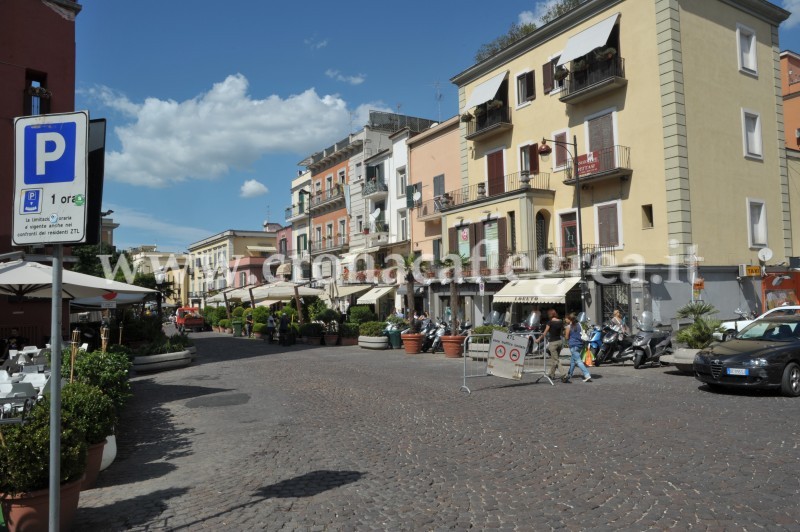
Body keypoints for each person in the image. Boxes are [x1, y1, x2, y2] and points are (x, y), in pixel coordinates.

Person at [562, 313, 592, 383]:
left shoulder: (568, 327)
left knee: (578, 361)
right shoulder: (580, 325)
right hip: (579, 345)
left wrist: (566, 336)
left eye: (566, 319)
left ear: (569, 319)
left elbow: (566, 337)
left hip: (573, 345)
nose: (565, 320)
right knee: (573, 361)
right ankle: (569, 374)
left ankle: (587, 375)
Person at [536, 309, 564, 380]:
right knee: (554, 359)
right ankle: (551, 374)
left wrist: (539, 339)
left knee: (556, 360)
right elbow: (562, 332)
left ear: (550, 314)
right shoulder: (560, 321)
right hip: (560, 342)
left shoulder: (550, 322)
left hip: (553, 342)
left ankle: (564, 374)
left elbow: (545, 333)